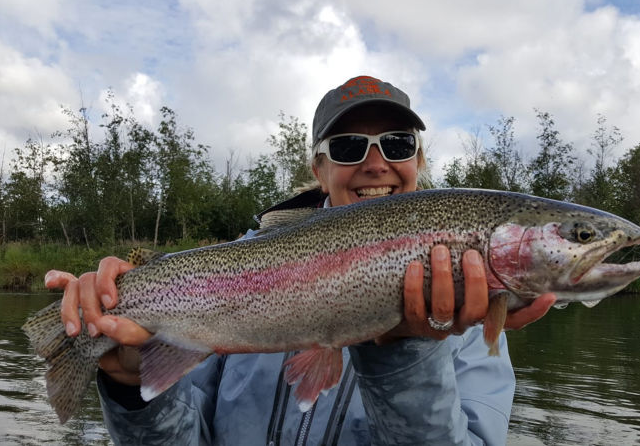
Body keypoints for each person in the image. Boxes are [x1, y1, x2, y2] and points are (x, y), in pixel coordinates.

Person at [45, 75, 556, 445]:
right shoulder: (245, 264)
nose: (375, 163)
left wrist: (407, 354)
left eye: (398, 144)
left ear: (418, 160)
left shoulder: (468, 315)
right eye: (350, 146)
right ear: (318, 165)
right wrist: (131, 385)